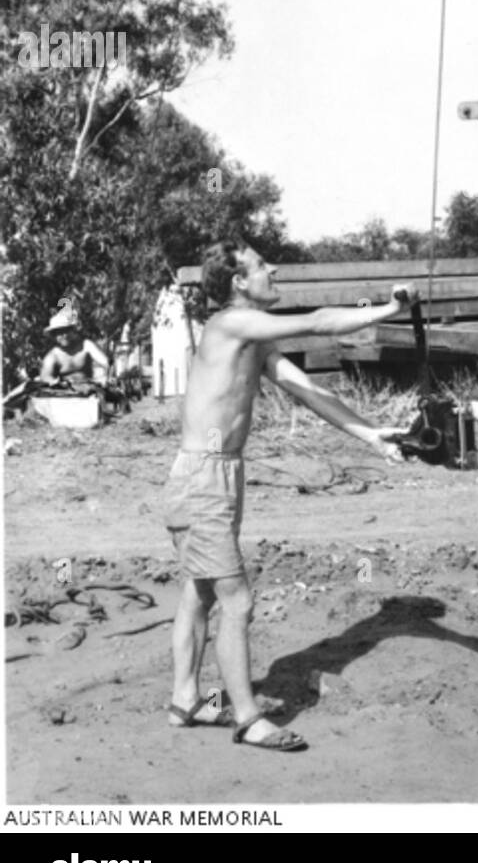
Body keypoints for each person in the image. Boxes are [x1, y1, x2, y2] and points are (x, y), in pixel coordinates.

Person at [162, 240, 417, 752]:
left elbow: (308, 391)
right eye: (260, 265)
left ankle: (185, 699)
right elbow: (320, 321)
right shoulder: (230, 324)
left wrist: (370, 435)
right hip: (202, 479)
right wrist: (391, 309)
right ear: (238, 282)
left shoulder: (253, 341)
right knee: (236, 599)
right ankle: (248, 718)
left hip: (220, 475)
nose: (272, 268)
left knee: (201, 590)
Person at [38, 305, 111, 386]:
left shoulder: (86, 346)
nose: (64, 336)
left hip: (90, 389)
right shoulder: (53, 355)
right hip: (64, 393)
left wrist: (106, 377)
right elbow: (45, 376)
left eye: (66, 331)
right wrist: (56, 383)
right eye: (59, 333)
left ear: (73, 330)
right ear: (54, 336)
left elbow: (106, 362)